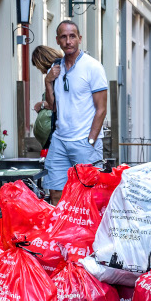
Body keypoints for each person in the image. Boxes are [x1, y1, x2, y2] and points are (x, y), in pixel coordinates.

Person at [42, 20, 108, 205]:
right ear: (57, 40)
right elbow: (53, 106)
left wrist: (91, 141)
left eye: (72, 36)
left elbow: (101, 109)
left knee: (89, 197)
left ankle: (90, 234)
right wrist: (48, 82)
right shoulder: (55, 69)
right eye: (63, 37)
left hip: (84, 142)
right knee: (56, 194)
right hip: (60, 141)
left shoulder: (93, 67)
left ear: (79, 39)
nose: (68, 41)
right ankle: (59, 233)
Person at [32, 46, 63, 149]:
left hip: (55, 133)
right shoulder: (54, 71)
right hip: (51, 135)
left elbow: (59, 102)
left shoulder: (56, 72)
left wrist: (42, 105)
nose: (40, 70)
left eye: (38, 66)